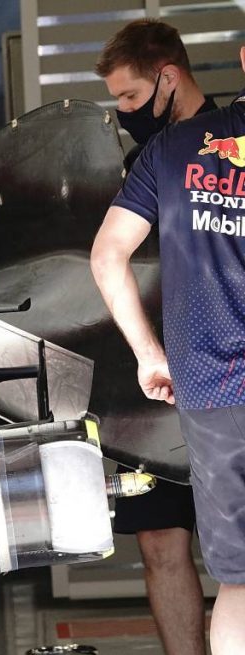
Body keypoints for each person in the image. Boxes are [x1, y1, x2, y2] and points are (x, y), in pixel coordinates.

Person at [90, 33, 245, 655]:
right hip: (189, 392)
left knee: (236, 582)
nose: (124, 110)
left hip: (203, 387)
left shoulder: (172, 152)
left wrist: (150, 354)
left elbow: (106, 256)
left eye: (130, 94)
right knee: (162, 540)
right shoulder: (154, 153)